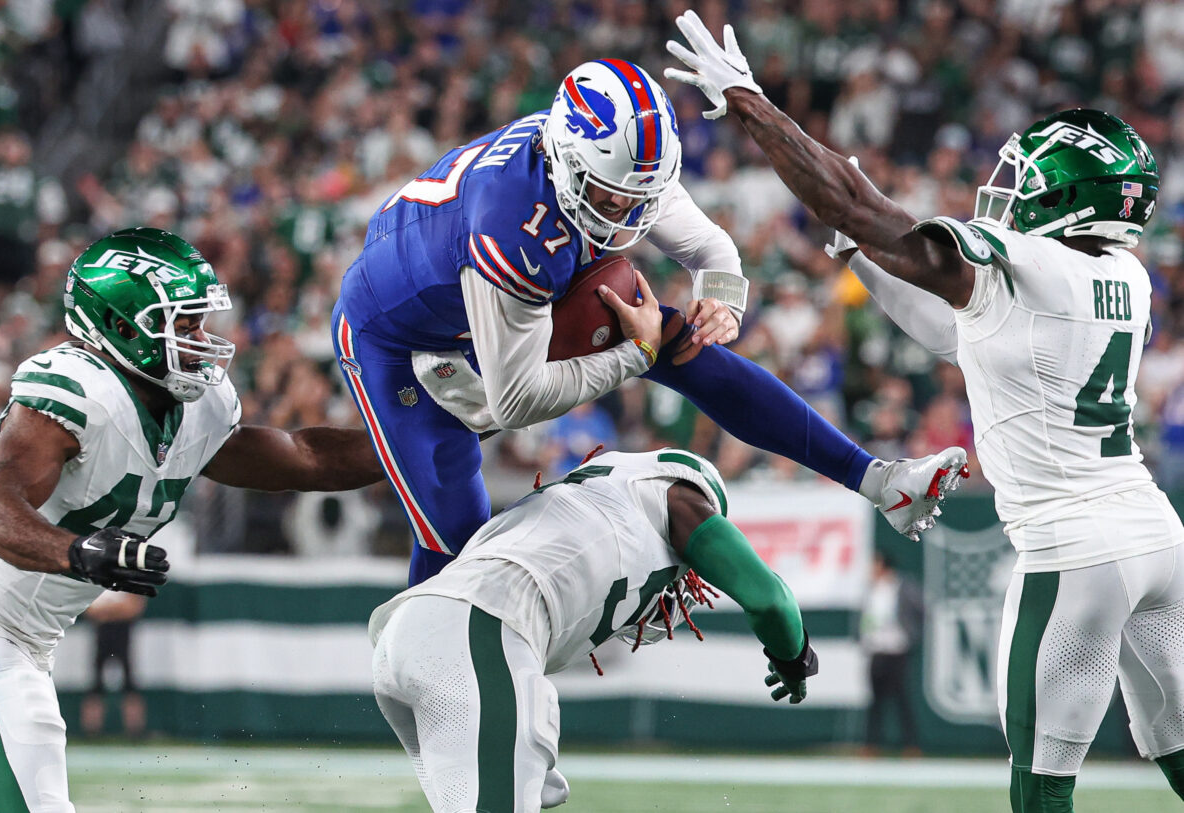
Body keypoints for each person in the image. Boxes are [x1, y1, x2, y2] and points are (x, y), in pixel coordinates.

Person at [665, 11, 1184, 811]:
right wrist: (857, 254)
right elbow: (959, 333)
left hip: (1074, 552)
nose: (1010, 194)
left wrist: (753, 106)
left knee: (1041, 789)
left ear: (1071, 197)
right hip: (1153, 535)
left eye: (1029, 182)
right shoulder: (1128, 277)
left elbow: (878, 216)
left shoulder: (1035, 262)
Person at [333, 57, 970, 585]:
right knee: (457, 538)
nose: (628, 214)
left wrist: (723, 301)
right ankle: (427, 691)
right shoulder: (513, 219)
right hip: (398, 336)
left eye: (641, 194)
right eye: (614, 198)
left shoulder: (619, 164)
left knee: (681, 340)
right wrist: (635, 355)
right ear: (568, 165)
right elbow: (516, 398)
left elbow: (712, 251)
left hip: (484, 302)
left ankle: (880, 481)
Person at [0, 227, 388, 812]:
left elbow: (307, 458)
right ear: (118, 326)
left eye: (199, 323)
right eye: (182, 326)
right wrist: (82, 552)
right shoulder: (77, 391)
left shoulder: (195, 408)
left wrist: (438, 434)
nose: (200, 341)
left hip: (24, 637)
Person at [368, 448, 819, 812]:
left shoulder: (574, 503)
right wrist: (794, 659)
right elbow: (770, 600)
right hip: (478, 630)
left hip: (404, 637)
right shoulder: (679, 500)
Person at [859, 552, 924, 757]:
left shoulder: (902, 586)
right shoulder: (871, 590)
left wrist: (910, 635)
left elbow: (921, 610)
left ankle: (911, 745)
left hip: (897, 650)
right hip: (877, 650)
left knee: (902, 700)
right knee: (875, 701)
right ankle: (871, 744)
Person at [79, 591, 148, 739]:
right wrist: (117, 609)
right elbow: (88, 610)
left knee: (130, 685)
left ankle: (135, 731)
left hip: (122, 637)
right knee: (95, 686)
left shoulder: (128, 582)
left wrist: (106, 611)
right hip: (102, 638)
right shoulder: (98, 582)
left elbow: (133, 608)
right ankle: (92, 731)